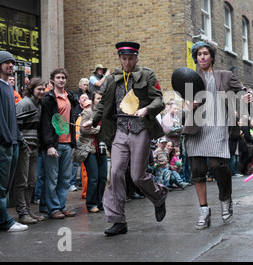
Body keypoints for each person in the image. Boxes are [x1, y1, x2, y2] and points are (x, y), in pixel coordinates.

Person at [82, 41, 168, 236]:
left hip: (140, 129)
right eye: (124, 58)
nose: (127, 62)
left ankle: (159, 196)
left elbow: (159, 100)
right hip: (120, 130)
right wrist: (93, 122)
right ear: (119, 58)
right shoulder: (112, 78)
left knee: (137, 176)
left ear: (136, 58)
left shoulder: (147, 74)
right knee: (116, 174)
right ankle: (118, 220)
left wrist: (147, 109)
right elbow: (104, 104)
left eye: (131, 58)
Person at [182, 41, 252, 230]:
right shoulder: (191, 79)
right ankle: (204, 210)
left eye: (205, 53)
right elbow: (186, 106)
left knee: (217, 166)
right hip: (197, 128)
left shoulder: (225, 76)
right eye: (199, 54)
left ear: (212, 56)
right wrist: (190, 106)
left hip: (218, 126)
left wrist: (247, 95)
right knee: (197, 171)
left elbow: (243, 90)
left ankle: (225, 198)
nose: (202, 57)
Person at [0, 50, 27, 232]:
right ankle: (3, 222)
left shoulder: (8, 87)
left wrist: (17, 138)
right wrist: (7, 139)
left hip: (11, 142)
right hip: (0, 144)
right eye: (6, 63)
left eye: (12, 63)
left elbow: (12, 116)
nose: (10, 65)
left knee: (3, 186)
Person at [39, 68, 78, 219]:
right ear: (53, 80)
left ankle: (62, 206)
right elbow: (46, 124)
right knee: (52, 179)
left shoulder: (70, 97)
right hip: (54, 144)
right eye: (58, 78)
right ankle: (53, 208)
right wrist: (49, 145)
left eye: (63, 77)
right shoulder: (49, 98)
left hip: (68, 143)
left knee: (65, 178)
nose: (61, 80)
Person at [14, 77, 46, 224]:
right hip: (24, 147)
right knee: (22, 181)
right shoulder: (24, 103)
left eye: (43, 89)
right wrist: (24, 144)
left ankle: (28, 210)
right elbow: (16, 125)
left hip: (34, 148)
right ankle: (22, 213)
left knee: (32, 181)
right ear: (32, 89)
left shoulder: (39, 105)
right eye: (39, 89)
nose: (41, 91)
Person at [79, 91, 108, 213]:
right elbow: (83, 129)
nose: (100, 101)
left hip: (102, 148)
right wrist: (101, 130)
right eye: (98, 98)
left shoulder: (106, 114)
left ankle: (99, 202)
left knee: (103, 178)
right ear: (93, 100)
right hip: (89, 148)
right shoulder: (87, 112)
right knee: (94, 177)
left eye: (102, 98)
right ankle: (91, 204)